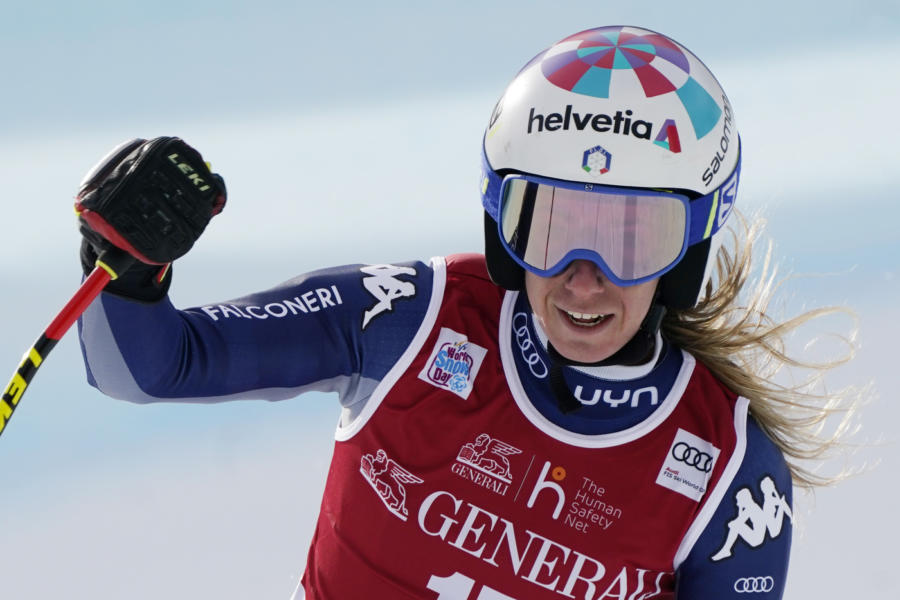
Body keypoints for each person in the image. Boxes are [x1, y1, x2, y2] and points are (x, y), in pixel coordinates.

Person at [76, 26, 859, 599]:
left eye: (632, 240)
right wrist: (127, 270)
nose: (584, 280)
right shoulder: (412, 321)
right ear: (501, 227)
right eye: (549, 227)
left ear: (688, 250)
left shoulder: (729, 472)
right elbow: (151, 369)